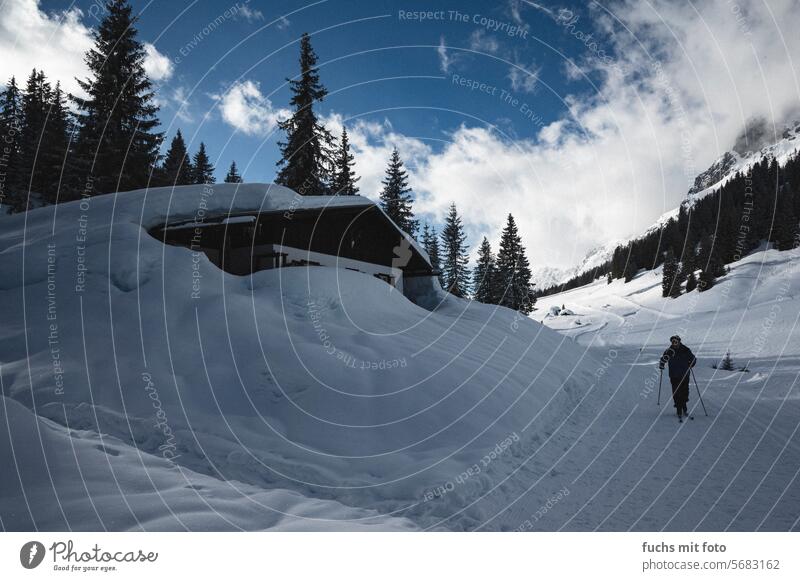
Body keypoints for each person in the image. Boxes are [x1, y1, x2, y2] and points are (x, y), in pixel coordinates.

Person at [659, 335, 697, 418]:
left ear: (679, 341)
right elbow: (663, 359)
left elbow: (693, 359)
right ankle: (678, 408)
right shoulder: (669, 351)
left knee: (685, 391)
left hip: (684, 374)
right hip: (674, 375)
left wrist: (691, 363)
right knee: (676, 392)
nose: (674, 343)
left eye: (676, 341)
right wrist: (662, 364)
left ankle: (684, 405)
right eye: (673, 342)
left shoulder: (686, 350)